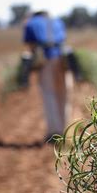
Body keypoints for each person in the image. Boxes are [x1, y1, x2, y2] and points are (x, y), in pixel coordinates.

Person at [23, 11, 68, 142]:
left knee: (49, 94)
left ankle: (54, 133)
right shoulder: (57, 20)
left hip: (47, 60)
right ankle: (64, 129)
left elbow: (31, 46)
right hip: (63, 59)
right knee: (63, 94)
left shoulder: (30, 22)